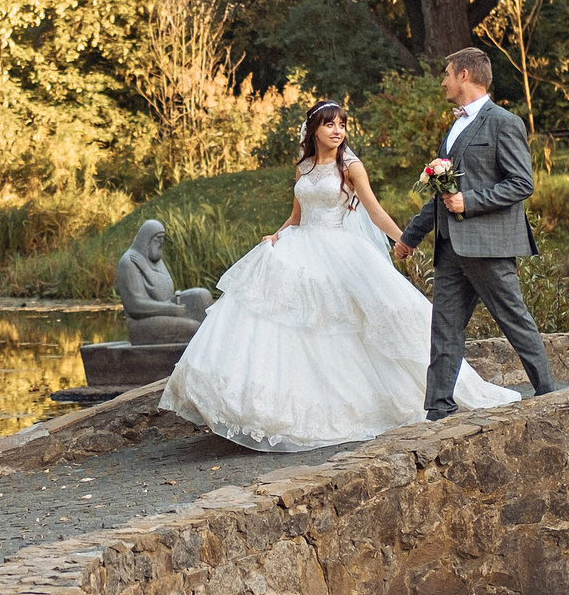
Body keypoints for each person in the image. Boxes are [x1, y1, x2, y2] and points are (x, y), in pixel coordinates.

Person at [162, 100, 521, 451]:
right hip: (299, 245)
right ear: (314, 130)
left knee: (350, 323)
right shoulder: (302, 166)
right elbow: (297, 215)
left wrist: (404, 239)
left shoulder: (351, 166)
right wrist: (277, 233)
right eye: (329, 124)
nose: (337, 131)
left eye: (342, 125)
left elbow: (374, 210)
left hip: (338, 250)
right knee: (285, 322)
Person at [394, 47, 561, 412]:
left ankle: (549, 392)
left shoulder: (504, 122)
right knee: (444, 330)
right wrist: (410, 236)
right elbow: (442, 195)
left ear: (465, 75)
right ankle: (438, 409)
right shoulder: (453, 128)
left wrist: (470, 202)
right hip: (450, 247)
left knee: (513, 319)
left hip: (488, 245)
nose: (443, 82)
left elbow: (521, 183)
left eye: (448, 74)